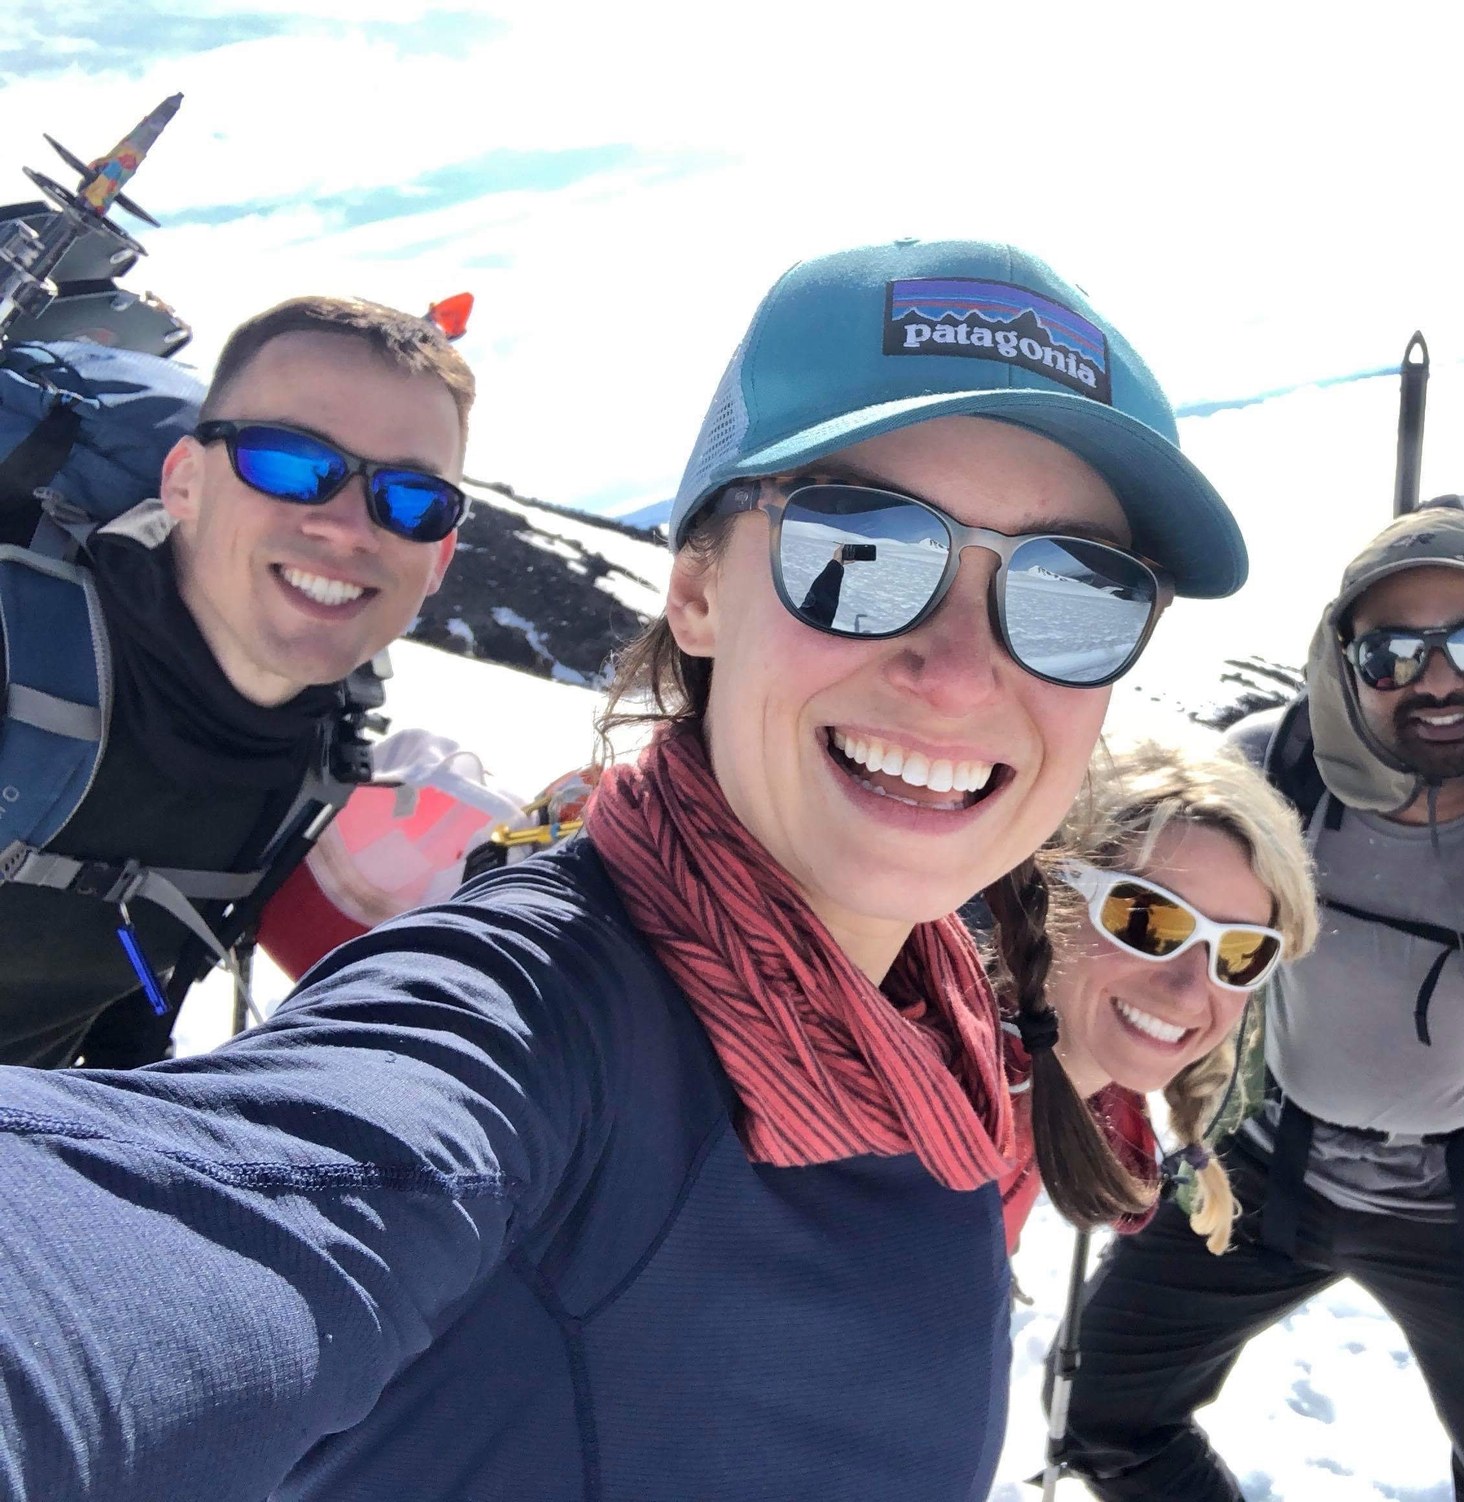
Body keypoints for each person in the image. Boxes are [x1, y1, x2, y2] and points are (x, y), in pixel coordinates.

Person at [0, 237, 1246, 1501]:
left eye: (1076, 592)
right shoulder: (536, 1025)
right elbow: (226, 1210)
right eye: (858, 550)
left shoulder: (943, 1023)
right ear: (696, 590)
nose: (963, 670)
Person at [1060, 509, 1464, 1502]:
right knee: (1103, 1414)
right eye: (1390, 653)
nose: (1437, 680)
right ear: (1342, 661)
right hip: (1266, 1167)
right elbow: (1133, 894)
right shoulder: (1272, 767)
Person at [0, 295, 471, 1068]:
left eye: (411, 500)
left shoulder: (322, 748)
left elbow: (139, 969)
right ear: (184, 481)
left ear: (438, 560)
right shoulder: (18, 647)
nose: (348, 527)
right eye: (288, 462)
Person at [998, 738, 1319, 1252]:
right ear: (1048, 895)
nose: (1189, 992)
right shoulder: (927, 1111)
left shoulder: (1041, 1098)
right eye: (1146, 920)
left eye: (1241, 952)